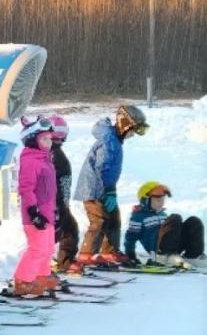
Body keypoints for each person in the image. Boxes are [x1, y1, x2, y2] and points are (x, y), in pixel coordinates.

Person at [74, 103, 148, 263]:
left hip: (105, 188)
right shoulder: (109, 142)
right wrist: (109, 190)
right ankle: (86, 254)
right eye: (133, 131)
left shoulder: (115, 141)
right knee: (99, 220)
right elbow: (103, 168)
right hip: (94, 189)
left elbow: (111, 171)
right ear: (125, 126)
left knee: (114, 217)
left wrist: (111, 189)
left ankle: (109, 250)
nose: (133, 135)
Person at [11, 116, 59, 296]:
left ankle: (40, 276)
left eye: (50, 139)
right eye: (44, 139)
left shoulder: (45, 160)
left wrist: (55, 211)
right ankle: (22, 280)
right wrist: (33, 211)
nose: (49, 143)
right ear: (32, 140)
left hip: (47, 212)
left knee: (47, 248)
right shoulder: (30, 160)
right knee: (37, 248)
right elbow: (26, 188)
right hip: (35, 215)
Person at [124, 183, 206, 269]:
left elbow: (172, 234)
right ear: (145, 200)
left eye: (163, 200)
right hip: (158, 251)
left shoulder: (163, 214)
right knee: (175, 217)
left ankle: (193, 256)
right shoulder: (138, 216)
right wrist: (130, 254)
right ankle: (166, 256)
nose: (161, 203)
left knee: (193, 221)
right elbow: (131, 236)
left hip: (173, 248)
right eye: (158, 200)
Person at [48, 115, 80, 272]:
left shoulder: (52, 152)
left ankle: (64, 261)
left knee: (68, 229)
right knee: (62, 231)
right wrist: (59, 202)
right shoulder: (52, 154)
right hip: (55, 202)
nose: (60, 139)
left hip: (58, 201)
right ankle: (60, 262)